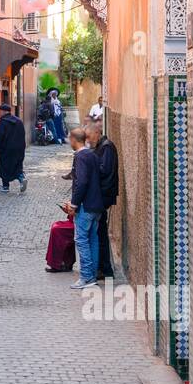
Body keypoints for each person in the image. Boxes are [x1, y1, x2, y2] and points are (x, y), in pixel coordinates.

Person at [62, 126, 105, 289]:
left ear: (74, 140)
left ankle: (86, 277)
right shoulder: (92, 154)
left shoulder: (80, 157)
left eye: (69, 139)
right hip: (96, 205)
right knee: (93, 239)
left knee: (81, 240)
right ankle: (92, 276)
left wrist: (74, 204)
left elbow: (82, 182)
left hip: (86, 206)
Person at [87, 120, 120, 280]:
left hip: (103, 195)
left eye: (89, 136)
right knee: (99, 231)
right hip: (102, 194)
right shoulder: (101, 146)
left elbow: (103, 170)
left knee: (100, 232)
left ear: (96, 133)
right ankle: (102, 267)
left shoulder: (106, 147)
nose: (88, 140)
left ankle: (105, 269)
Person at [0, 102, 27, 193]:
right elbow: (23, 134)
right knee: (17, 165)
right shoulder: (19, 121)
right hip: (19, 149)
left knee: (4, 167)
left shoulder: (3, 121)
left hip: (6, 149)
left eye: (0, 111)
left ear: (4, 111)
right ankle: (21, 178)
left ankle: (5, 187)